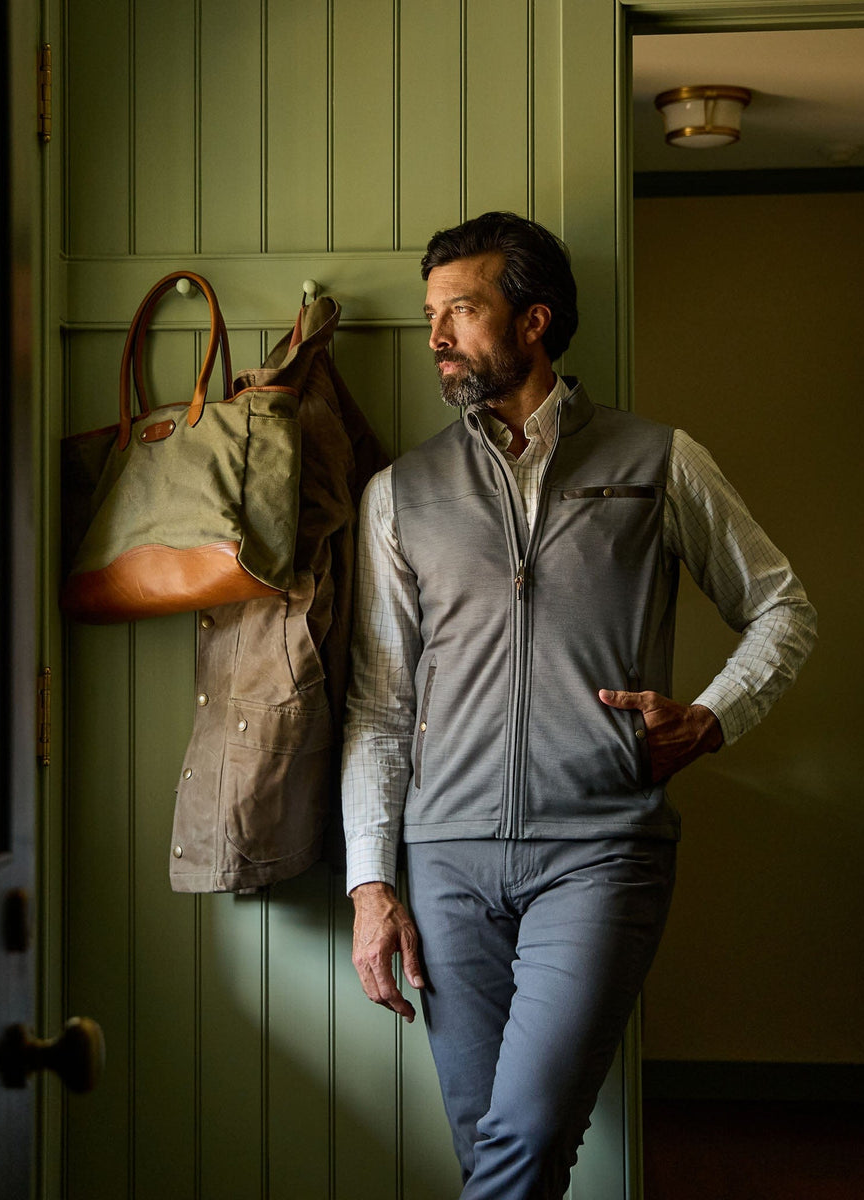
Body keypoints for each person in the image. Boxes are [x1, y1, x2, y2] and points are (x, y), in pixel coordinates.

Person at [341, 211, 816, 1199]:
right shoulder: (401, 493)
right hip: (446, 863)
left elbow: (782, 608)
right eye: (430, 316)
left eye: (460, 311)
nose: (436, 336)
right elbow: (382, 706)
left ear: (534, 320)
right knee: (494, 1149)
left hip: (601, 851)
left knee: (524, 1133)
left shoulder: (658, 461)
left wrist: (713, 717)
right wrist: (370, 884)